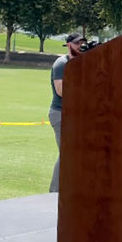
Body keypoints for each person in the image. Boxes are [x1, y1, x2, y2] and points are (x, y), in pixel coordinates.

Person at [48, 32, 86, 193]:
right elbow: (61, 90)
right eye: (77, 43)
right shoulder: (61, 64)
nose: (81, 46)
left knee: (74, 152)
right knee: (67, 152)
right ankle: (55, 192)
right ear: (69, 44)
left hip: (75, 114)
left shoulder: (81, 63)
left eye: (82, 43)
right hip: (60, 114)